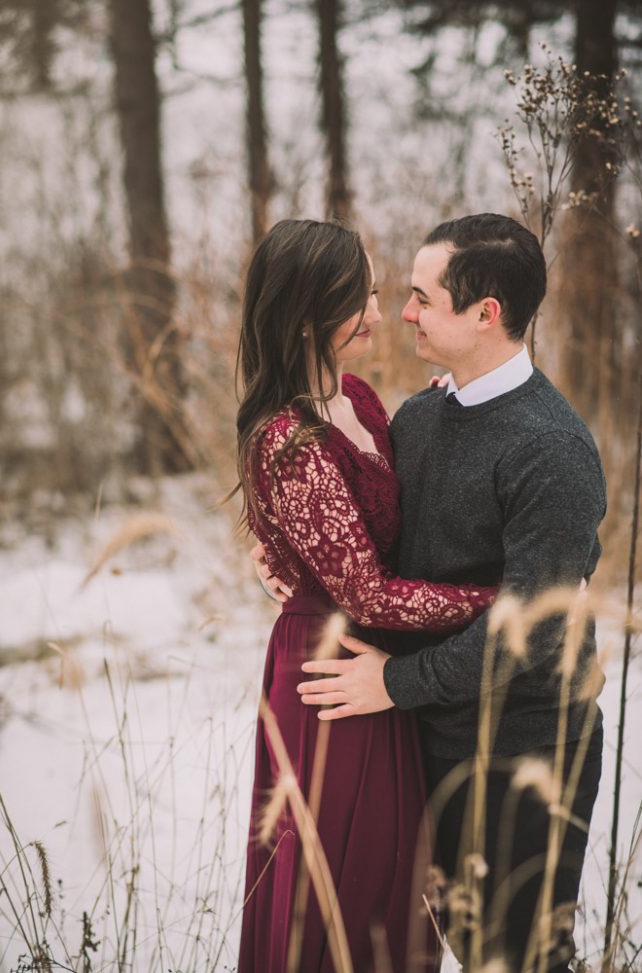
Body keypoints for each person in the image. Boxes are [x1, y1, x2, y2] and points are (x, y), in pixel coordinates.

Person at [296, 214, 607, 973]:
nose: (403, 313)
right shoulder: (422, 413)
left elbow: (528, 629)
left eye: (422, 297)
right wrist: (284, 557)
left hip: (520, 749)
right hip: (421, 740)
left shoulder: (552, 450)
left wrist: (394, 682)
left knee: (516, 957)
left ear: (485, 313)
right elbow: (377, 549)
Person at [235, 218, 496, 973]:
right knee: (337, 892)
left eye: (379, 293)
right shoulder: (288, 435)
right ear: (309, 311)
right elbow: (370, 593)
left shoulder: (357, 395)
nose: (381, 315)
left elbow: (383, 517)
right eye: (361, 299)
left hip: (374, 666)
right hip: (329, 678)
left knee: (389, 887)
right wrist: (502, 598)